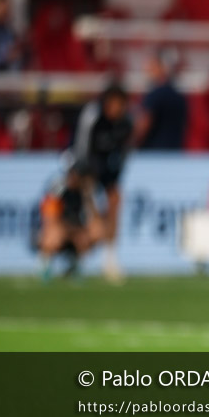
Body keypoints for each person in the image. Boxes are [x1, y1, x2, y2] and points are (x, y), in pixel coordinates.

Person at [74, 84, 134, 282]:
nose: (118, 109)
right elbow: (81, 149)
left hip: (108, 171)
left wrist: (114, 179)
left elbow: (123, 153)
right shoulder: (92, 116)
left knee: (115, 201)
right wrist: (85, 178)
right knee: (92, 219)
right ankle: (78, 258)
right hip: (85, 171)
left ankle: (110, 259)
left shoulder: (125, 123)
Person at [38, 161, 102, 281]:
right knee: (53, 236)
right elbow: (50, 218)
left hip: (77, 229)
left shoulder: (86, 191)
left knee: (91, 234)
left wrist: (88, 196)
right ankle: (45, 267)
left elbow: (94, 217)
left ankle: (76, 266)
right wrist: (67, 229)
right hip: (61, 227)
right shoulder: (58, 189)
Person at [135, 48, 188, 150]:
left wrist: (131, 143)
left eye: (152, 66)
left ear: (161, 68)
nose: (148, 70)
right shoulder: (178, 96)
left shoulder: (155, 94)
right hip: (174, 151)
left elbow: (144, 125)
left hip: (155, 152)